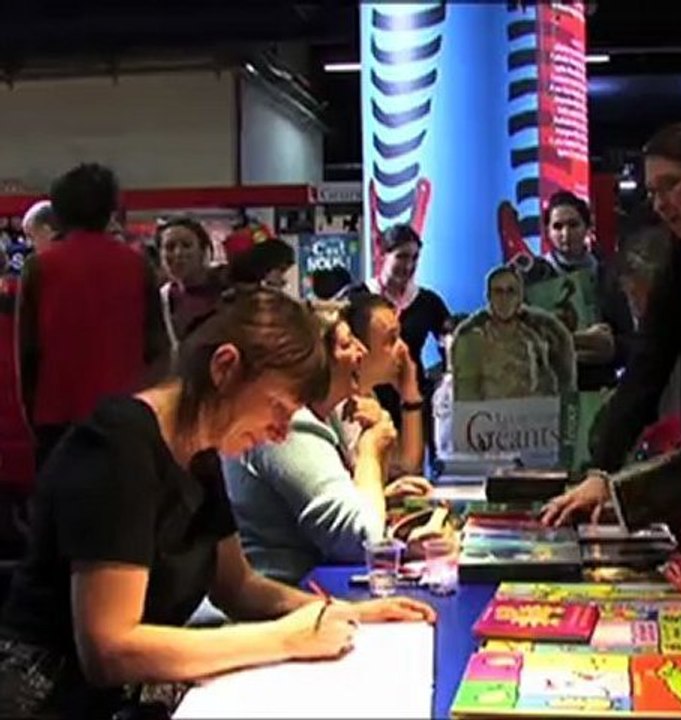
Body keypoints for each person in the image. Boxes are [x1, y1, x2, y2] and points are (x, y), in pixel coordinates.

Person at [0, 287, 435, 719]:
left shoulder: (201, 452)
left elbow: (238, 588)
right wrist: (285, 638)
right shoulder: (119, 447)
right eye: (279, 408)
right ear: (225, 367)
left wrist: (342, 612)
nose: (282, 433)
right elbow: (109, 647)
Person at [542, 124, 681, 564]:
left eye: (671, 186)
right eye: (652, 192)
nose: (661, 204)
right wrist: (602, 471)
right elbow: (644, 373)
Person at [223, 300, 430, 585]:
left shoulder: (326, 413)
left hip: (307, 586)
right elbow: (363, 540)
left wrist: (382, 494)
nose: (361, 352)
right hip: (279, 596)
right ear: (317, 362)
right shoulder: (291, 425)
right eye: (347, 344)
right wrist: (370, 450)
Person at [16, 163, 169, 472]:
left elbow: (27, 352)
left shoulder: (39, 267)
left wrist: (32, 418)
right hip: (125, 416)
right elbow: (157, 347)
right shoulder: (137, 265)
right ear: (111, 209)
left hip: (57, 417)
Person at [522, 191, 634, 392]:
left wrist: (612, 348)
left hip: (598, 386)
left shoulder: (608, 274)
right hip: (548, 390)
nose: (565, 234)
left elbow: (631, 340)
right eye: (558, 226)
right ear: (547, 231)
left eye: (573, 224)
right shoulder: (532, 277)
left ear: (587, 227)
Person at [354, 224, 450, 446]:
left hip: (412, 402)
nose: (409, 265)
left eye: (415, 258)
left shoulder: (428, 302)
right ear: (382, 254)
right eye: (402, 256)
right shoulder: (357, 299)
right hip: (368, 401)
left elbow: (450, 341)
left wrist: (441, 384)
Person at [453, 266, 575, 401]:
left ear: (520, 296)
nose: (504, 298)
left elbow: (565, 383)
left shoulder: (546, 330)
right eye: (498, 292)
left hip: (539, 415)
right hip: (488, 416)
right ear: (488, 297)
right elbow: (465, 395)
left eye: (510, 291)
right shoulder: (470, 335)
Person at [342, 293, 426, 477]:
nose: (403, 349)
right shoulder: (340, 407)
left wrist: (410, 397)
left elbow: (406, 465)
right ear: (358, 349)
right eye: (391, 340)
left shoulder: (369, 396)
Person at [156, 216, 226, 356]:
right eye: (170, 247)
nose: (178, 253)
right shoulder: (161, 299)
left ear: (203, 251)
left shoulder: (227, 291)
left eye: (186, 245)